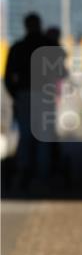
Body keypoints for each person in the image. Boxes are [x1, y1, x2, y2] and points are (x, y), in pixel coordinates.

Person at [4, 13, 54, 188]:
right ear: (40, 25)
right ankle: (43, 175)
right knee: (44, 137)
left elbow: (8, 77)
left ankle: (25, 171)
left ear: (25, 26)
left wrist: (15, 94)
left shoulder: (17, 48)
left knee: (25, 135)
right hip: (44, 95)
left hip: (24, 94)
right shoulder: (48, 45)